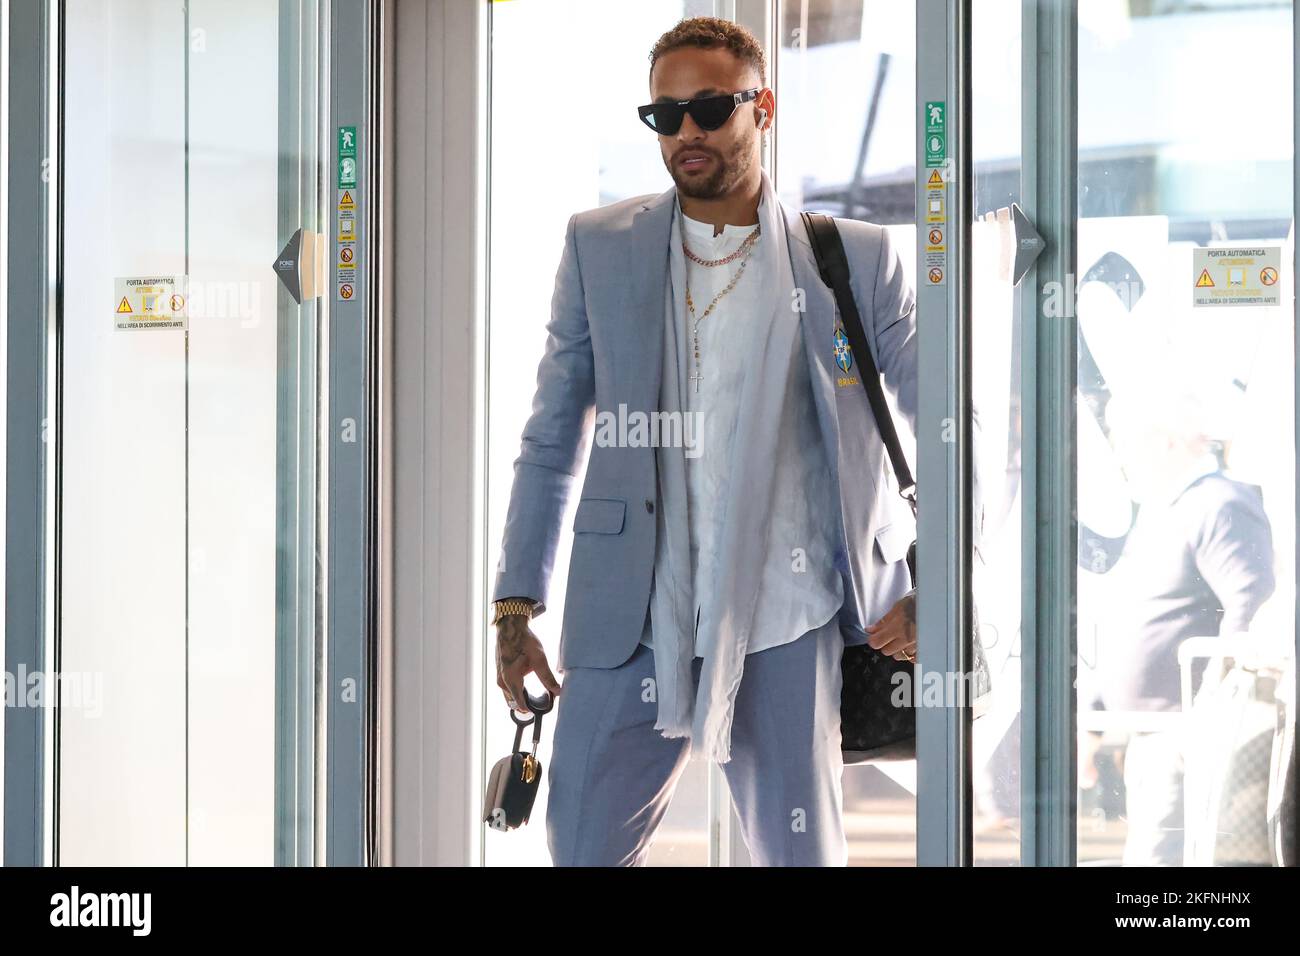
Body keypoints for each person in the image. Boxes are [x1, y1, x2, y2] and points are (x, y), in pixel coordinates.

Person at [490, 16, 920, 866]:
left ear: (763, 107)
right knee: (579, 849)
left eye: (711, 108)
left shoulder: (853, 261)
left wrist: (945, 584)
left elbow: (951, 421)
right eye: (665, 115)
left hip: (788, 615)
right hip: (631, 615)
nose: (686, 131)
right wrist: (515, 605)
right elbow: (550, 437)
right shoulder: (599, 247)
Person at [1083, 385, 1276, 865]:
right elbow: (1135, 617)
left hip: (1188, 735)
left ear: (1166, 441)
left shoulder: (1218, 505)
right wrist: (1094, 713)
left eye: (1124, 439)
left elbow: (1252, 605)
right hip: (1156, 732)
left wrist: (1213, 711)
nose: (1119, 455)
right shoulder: (1167, 508)